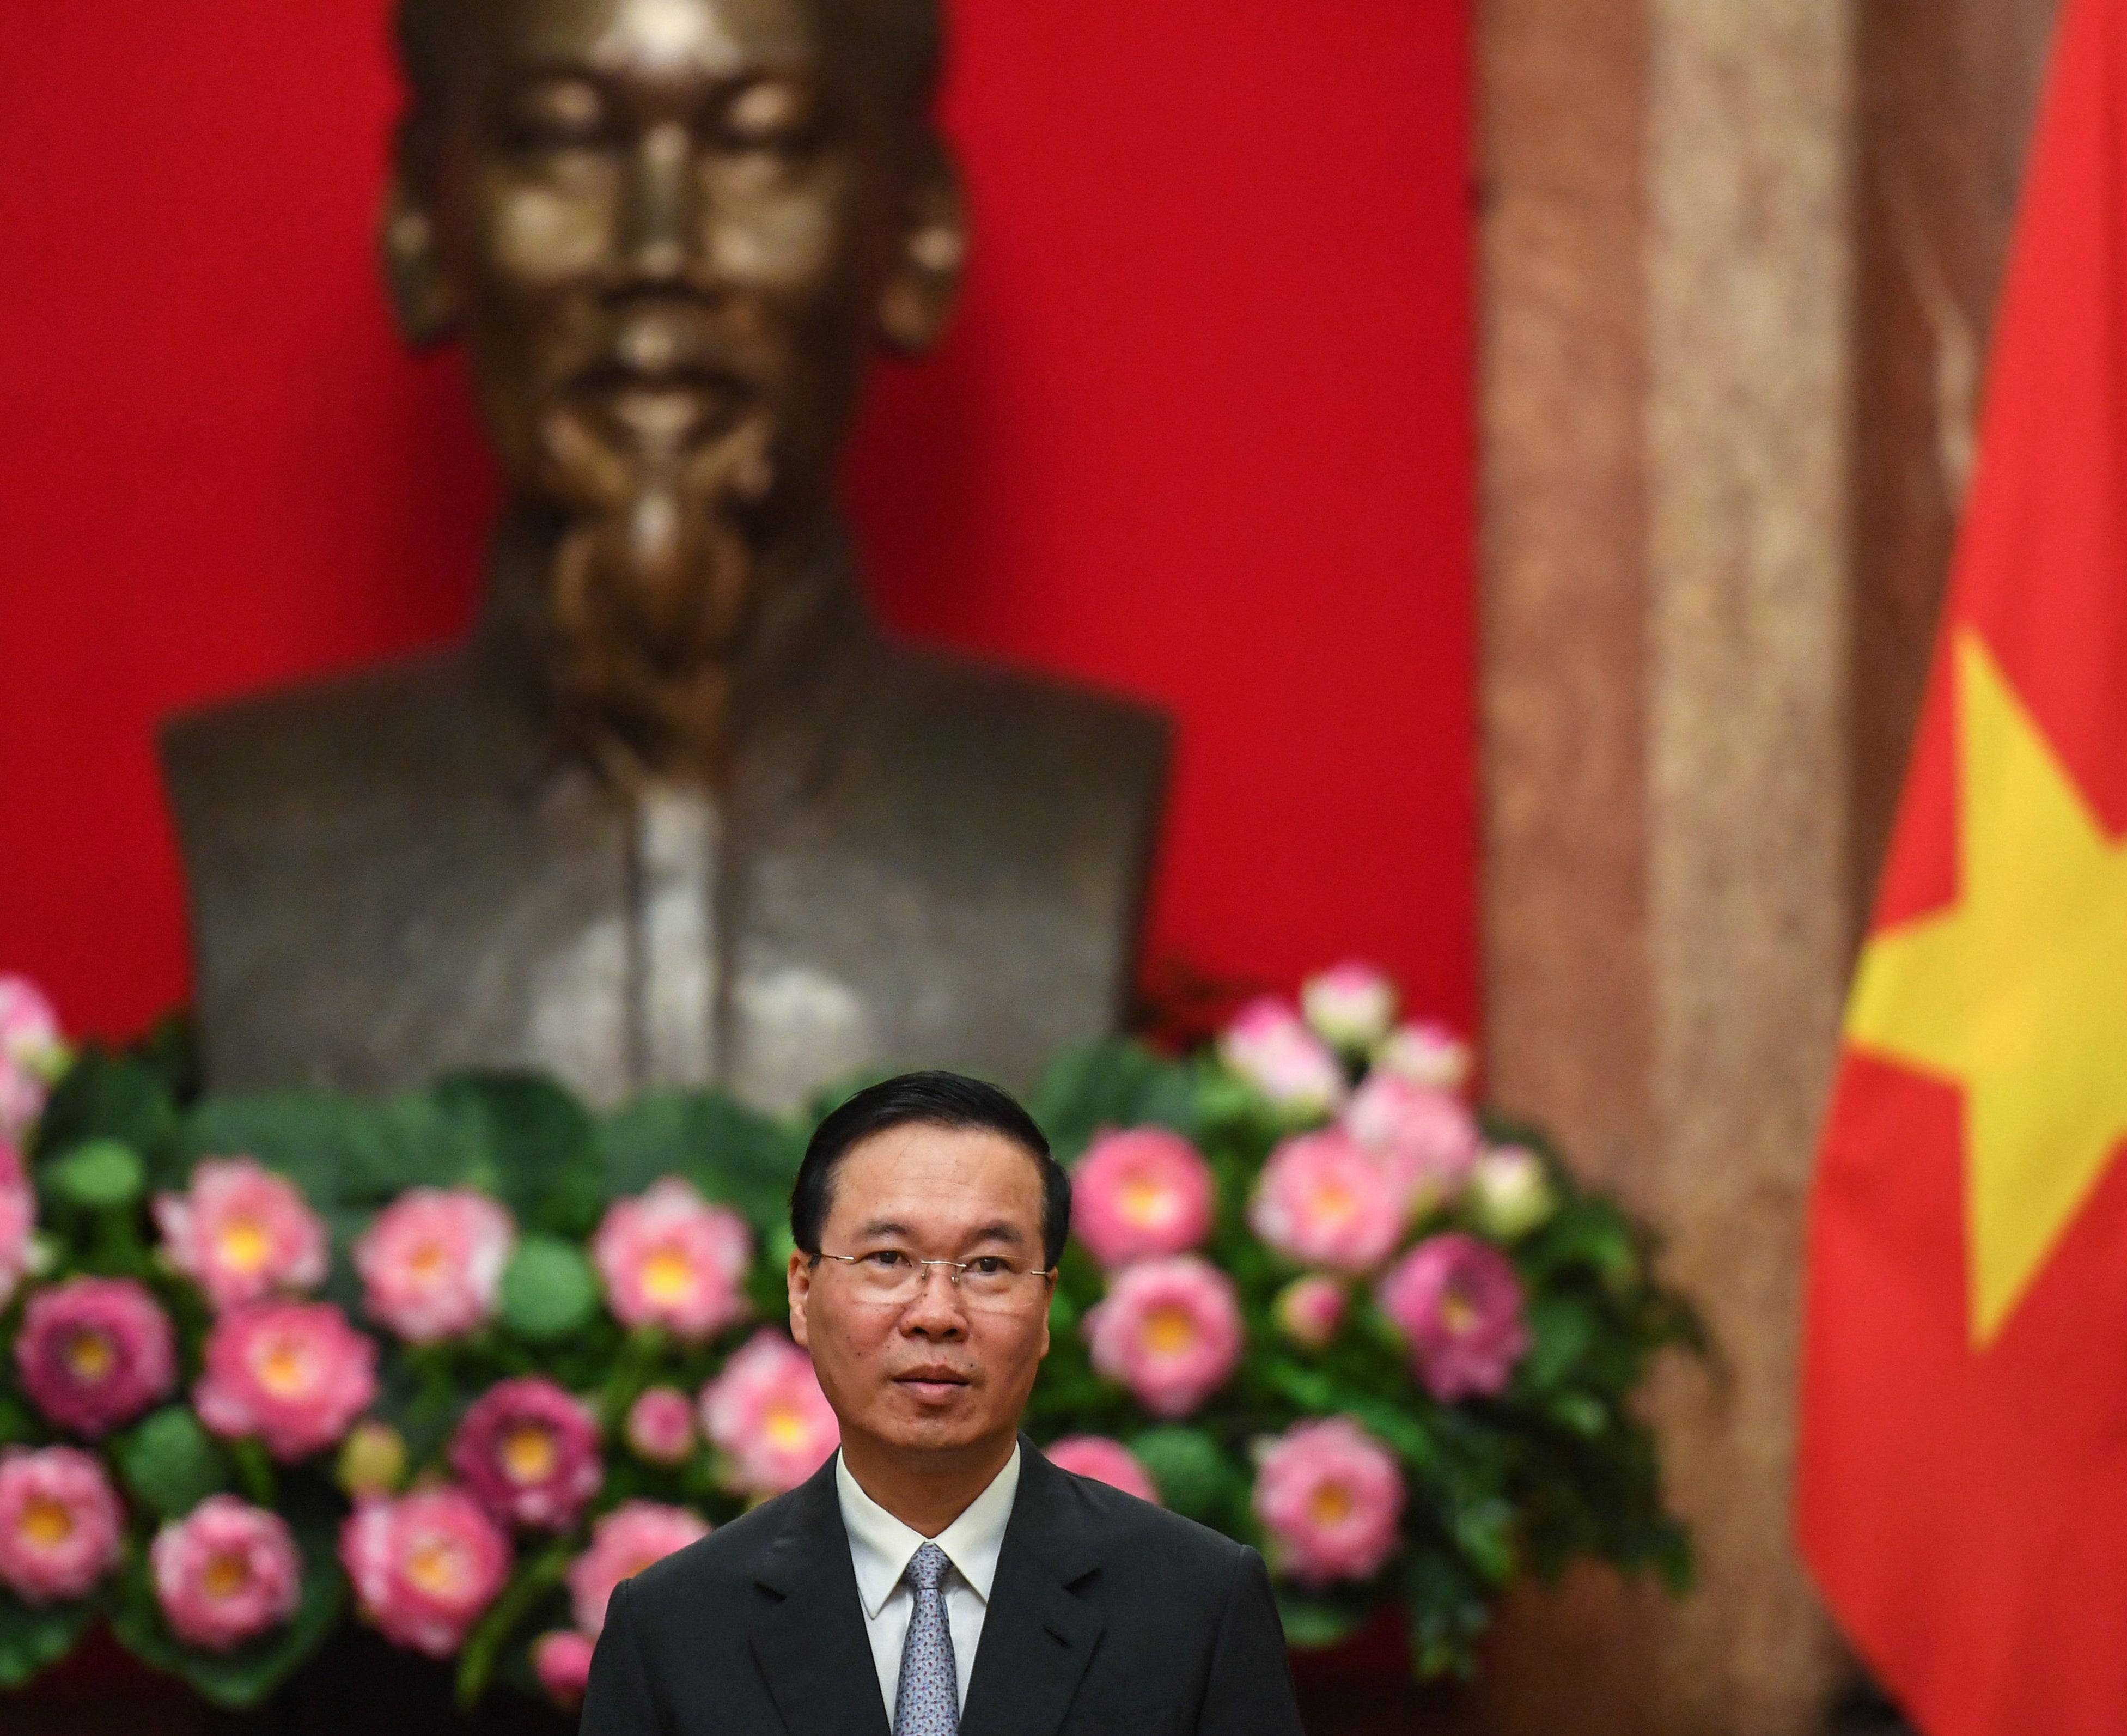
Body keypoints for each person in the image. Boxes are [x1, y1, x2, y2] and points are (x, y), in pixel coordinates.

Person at [163, 0, 1167, 1113]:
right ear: (416, 222)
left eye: (762, 144)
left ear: (920, 231)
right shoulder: (268, 814)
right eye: (560, 140)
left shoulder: (1070, 807)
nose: (657, 251)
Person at [579, 1071, 1304, 1735]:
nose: (936, 1313)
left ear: (1046, 1305)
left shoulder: (1197, 1607)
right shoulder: (672, 1628)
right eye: (888, 1259)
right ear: (802, 1292)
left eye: (988, 1266)